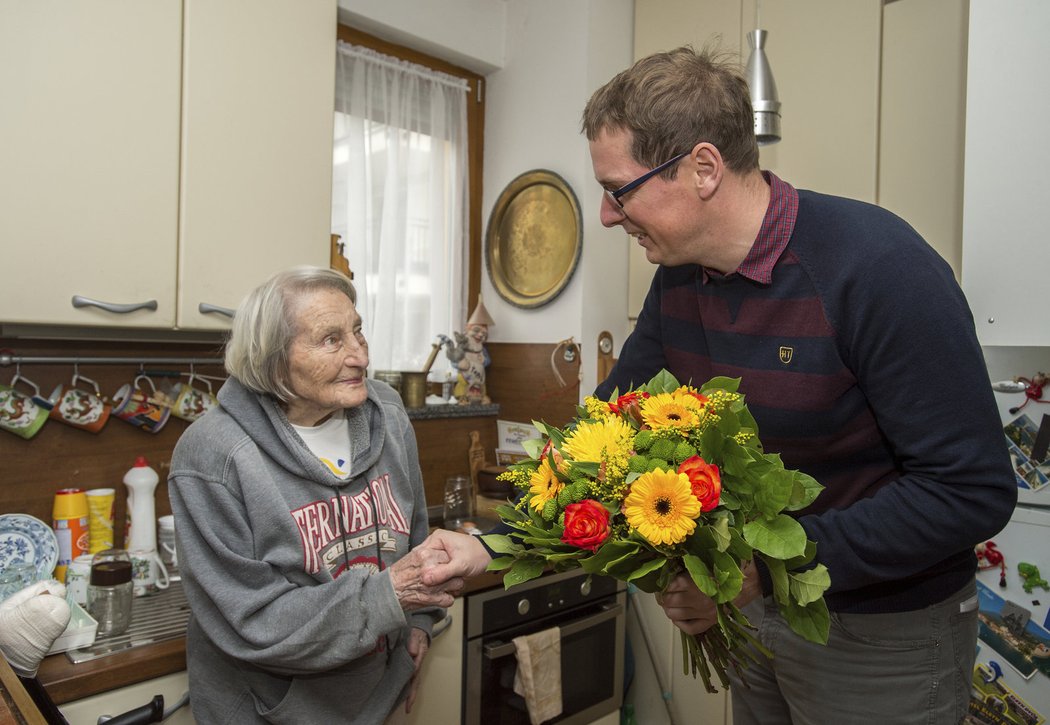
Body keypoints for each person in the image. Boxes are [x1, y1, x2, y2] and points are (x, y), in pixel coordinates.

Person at [424, 46, 1018, 724]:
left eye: (619, 189)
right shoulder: (679, 278)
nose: (609, 215)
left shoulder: (880, 268)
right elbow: (602, 441)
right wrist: (493, 545)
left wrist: (760, 566)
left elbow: (970, 489)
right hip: (759, 620)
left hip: (883, 637)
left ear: (703, 168)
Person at [169, 266, 457, 724]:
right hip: (273, 713)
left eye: (357, 332)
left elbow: (415, 534)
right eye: (331, 340)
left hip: (381, 698)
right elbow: (255, 621)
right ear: (273, 359)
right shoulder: (215, 457)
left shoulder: (387, 412)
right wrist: (391, 596)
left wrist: (418, 621)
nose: (360, 356)